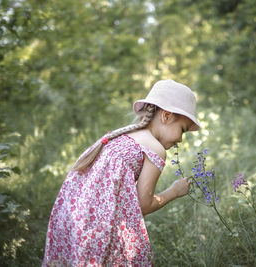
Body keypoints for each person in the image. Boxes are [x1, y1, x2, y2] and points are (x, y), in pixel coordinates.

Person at [42, 79, 200, 266]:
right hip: (99, 226)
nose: (181, 140)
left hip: (74, 217)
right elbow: (144, 204)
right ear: (166, 116)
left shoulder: (123, 137)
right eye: (182, 130)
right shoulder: (155, 149)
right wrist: (175, 191)